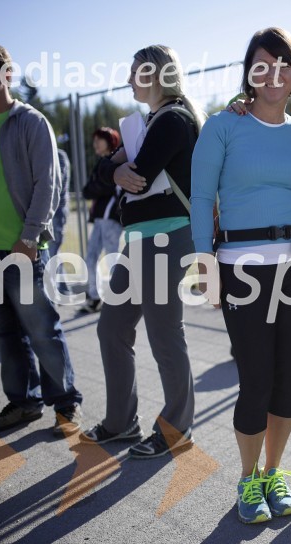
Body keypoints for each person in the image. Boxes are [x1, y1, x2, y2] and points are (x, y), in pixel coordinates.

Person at [191, 27, 291, 524]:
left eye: (283, 64)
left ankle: (272, 473)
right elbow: (202, 198)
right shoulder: (222, 126)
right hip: (240, 269)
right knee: (255, 381)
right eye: (262, 64)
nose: (273, 73)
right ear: (249, 72)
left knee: (287, 380)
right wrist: (205, 264)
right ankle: (247, 480)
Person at [79, 45, 203, 459]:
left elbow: (141, 177)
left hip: (167, 237)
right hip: (138, 239)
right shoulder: (145, 124)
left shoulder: (173, 120)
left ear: (156, 75)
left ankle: (175, 429)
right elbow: (99, 178)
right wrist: (114, 169)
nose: (129, 79)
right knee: (111, 327)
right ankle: (120, 423)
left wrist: (117, 169)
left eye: (136, 72)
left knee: (164, 334)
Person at [0, 43, 84, 436]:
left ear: (6, 74)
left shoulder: (30, 121)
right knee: (1, 333)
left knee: (43, 330)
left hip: (24, 249)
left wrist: (29, 238)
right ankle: (23, 401)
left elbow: (47, 184)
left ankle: (66, 404)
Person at [77, 127, 123, 314]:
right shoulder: (101, 164)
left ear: (111, 140)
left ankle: (119, 298)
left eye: (100, 139)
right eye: (94, 139)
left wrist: (96, 187)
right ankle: (95, 297)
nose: (95, 143)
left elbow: (99, 188)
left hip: (110, 219)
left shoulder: (115, 161)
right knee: (91, 257)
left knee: (113, 258)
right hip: (98, 219)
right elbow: (88, 189)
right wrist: (95, 188)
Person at [49, 148, 70, 294]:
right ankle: (63, 290)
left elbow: (56, 180)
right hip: (53, 212)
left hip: (56, 212)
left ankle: (53, 293)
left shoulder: (58, 155)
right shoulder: (55, 154)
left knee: (51, 253)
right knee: (54, 252)